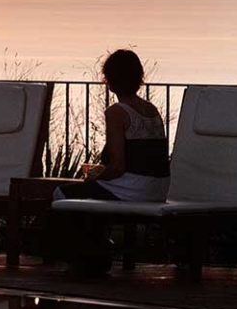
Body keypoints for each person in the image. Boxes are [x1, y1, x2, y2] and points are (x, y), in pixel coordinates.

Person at [59, 49, 170, 204]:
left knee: (61, 193)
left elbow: (118, 167)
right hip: (159, 189)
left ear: (110, 80)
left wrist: (95, 177)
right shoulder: (152, 109)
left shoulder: (116, 112)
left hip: (133, 189)